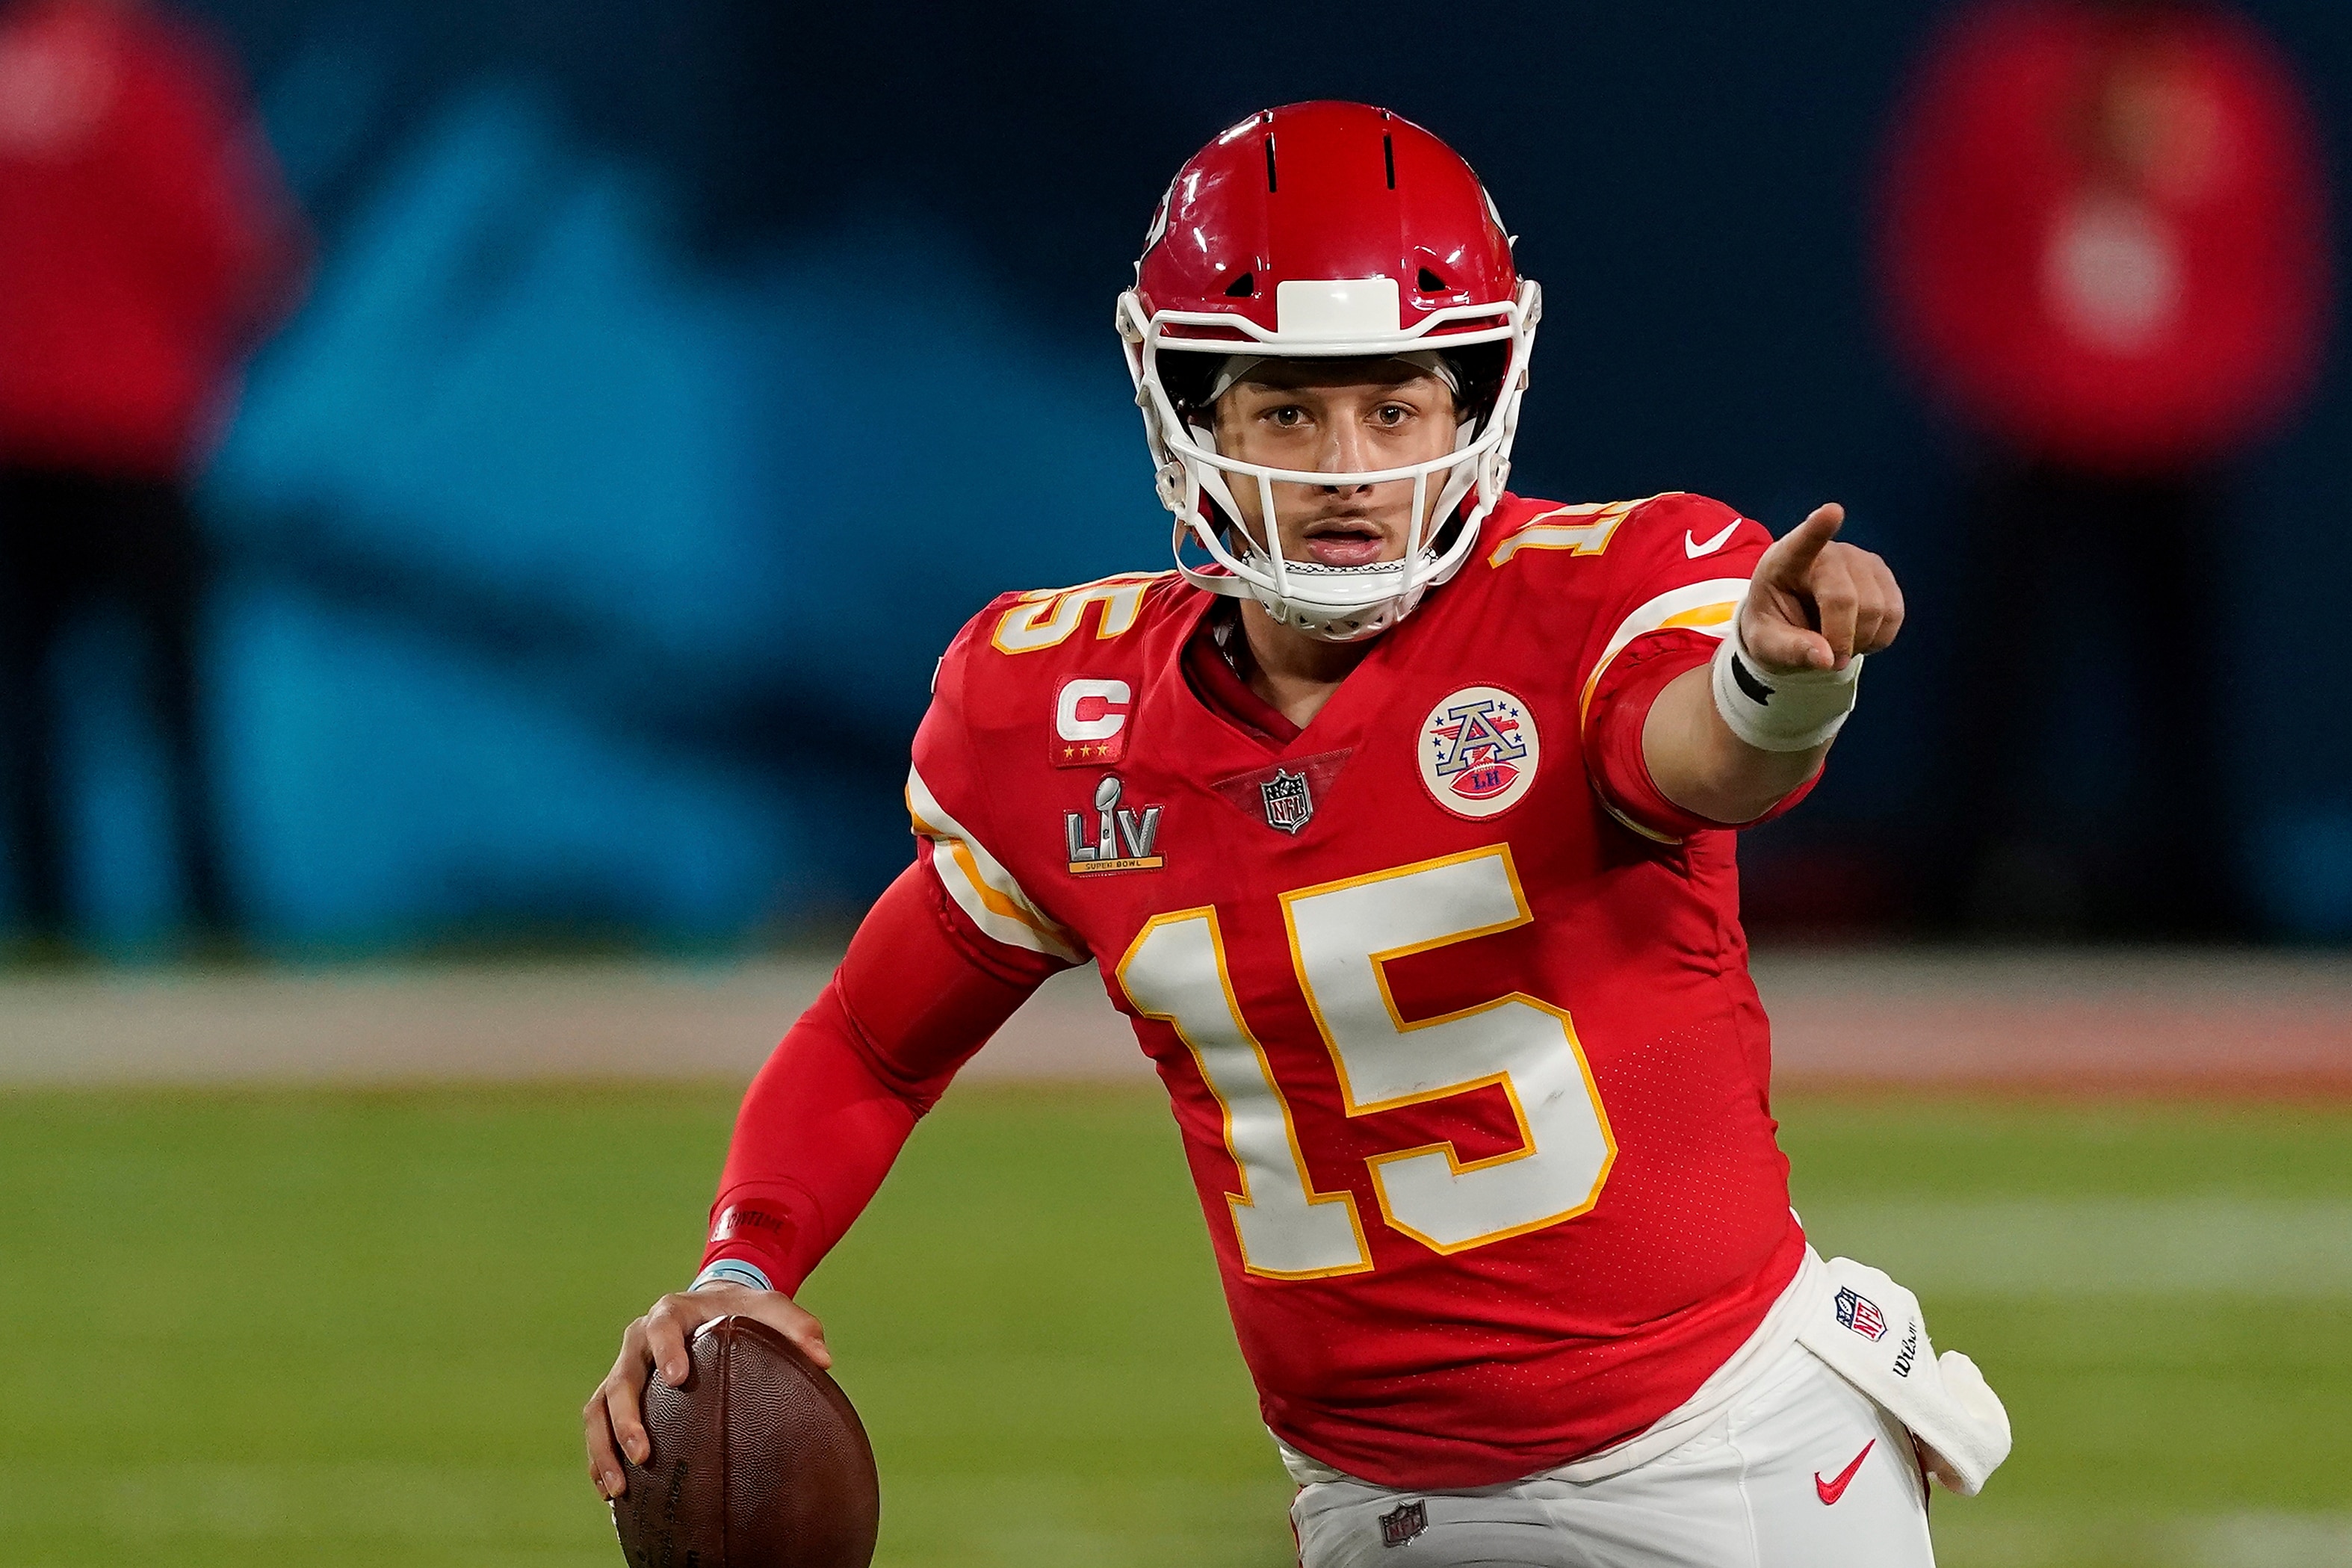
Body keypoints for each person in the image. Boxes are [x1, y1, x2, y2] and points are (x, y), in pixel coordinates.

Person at [587, 102, 2009, 1567]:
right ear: (1191, 418)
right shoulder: (1059, 713)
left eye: (1391, 408)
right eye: (1285, 408)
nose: (1343, 464)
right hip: (1369, 1501)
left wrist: (1782, 676)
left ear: (1467, 411)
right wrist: (738, 1262)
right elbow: (876, 1039)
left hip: (1724, 1462)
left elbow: (1704, 751)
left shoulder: (1595, 600)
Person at [1878, 0, 2328, 935]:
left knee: (2183, 687)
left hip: (2180, 442)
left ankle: (2196, 892)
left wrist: (2212, 396)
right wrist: (1987, 378)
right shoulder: (2004, 74)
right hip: (2035, 433)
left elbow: (2271, 256)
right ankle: (1960, 889)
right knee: (1996, 679)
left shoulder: (2229, 85)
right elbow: (1941, 230)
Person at [0, 0, 304, 944]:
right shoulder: (149, 77)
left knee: (26, 713)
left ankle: (53, 927)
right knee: (175, 708)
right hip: (132, 440)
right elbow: (228, 252)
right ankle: (211, 922)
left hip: (15, 449)